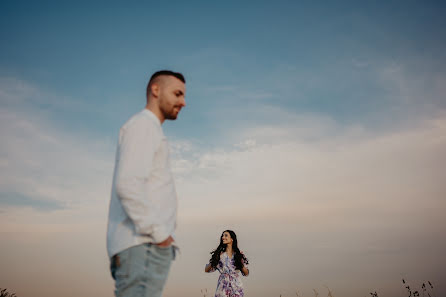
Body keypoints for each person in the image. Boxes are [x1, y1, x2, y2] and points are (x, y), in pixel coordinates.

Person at [106, 70, 186, 297]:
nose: (183, 102)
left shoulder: (148, 129)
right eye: (178, 94)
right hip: (144, 246)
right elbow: (128, 185)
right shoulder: (144, 126)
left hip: (144, 247)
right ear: (156, 90)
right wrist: (160, 235)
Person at [205, 230, 249, 297]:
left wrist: (240, 264)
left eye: (226, 235)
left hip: (236, 285)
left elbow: (246, 273)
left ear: (232, 239)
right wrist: (215, 259)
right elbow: (206, 269)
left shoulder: (238, 255)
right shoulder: (220, 254)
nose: (223, 237)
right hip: (223, 285)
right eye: (222, 235)